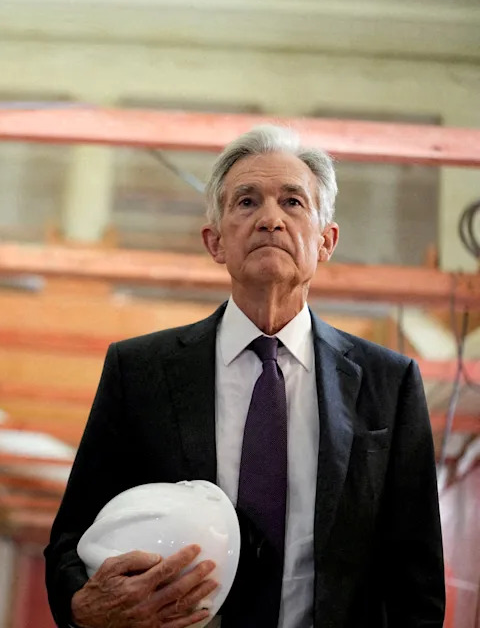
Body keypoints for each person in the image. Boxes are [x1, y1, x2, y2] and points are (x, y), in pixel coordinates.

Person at [45, 125, 444, 628]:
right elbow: (69, 540)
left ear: (326, 241)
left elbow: (417, 581)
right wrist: (82, 606)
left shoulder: (389, 384)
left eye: (293, 203)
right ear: (215, 241)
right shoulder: (139, 371)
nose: (270, 220)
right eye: (247, 202)